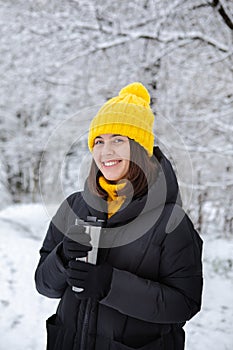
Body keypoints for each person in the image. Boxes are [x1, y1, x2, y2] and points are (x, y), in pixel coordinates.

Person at [35, 82, 203, 350]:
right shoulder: (74, 206)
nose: (106, 151)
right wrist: (62, 258)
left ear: (139, 148)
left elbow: (184, 304)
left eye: (118, 140)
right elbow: (44, 286)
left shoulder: (171, 221)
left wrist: (109, 285)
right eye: (99, 141)